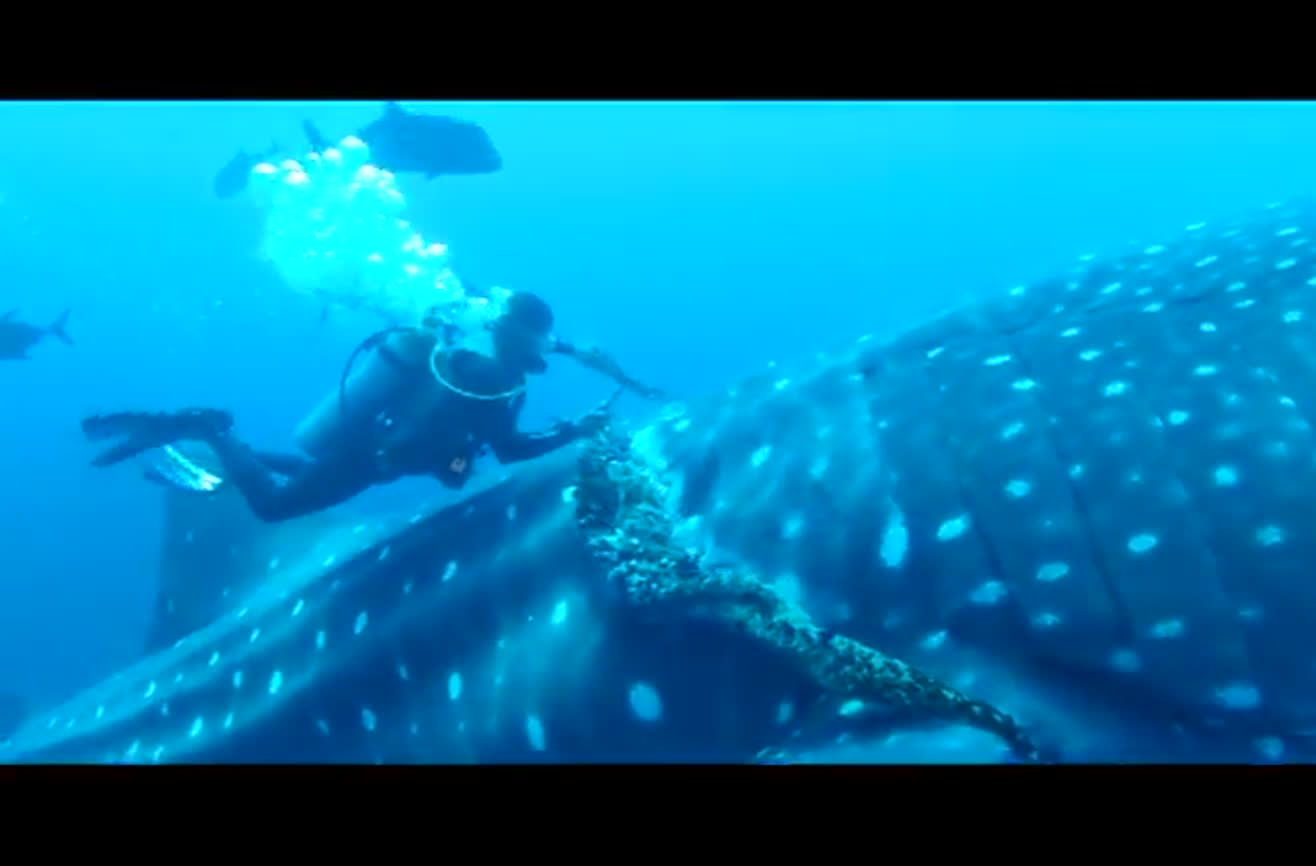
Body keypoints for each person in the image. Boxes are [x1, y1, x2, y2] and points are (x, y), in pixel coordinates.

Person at [81, 292, 614, 523]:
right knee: (274, 508)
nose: (545, 348)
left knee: (314, 471)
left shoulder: (469, 350)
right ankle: (210, 430)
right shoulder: (499, 381)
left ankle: (214, 448)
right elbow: (511, 449)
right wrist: (575, 430)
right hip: (373, 456)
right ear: (529, 337)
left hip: (370, 441)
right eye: (543, 340)